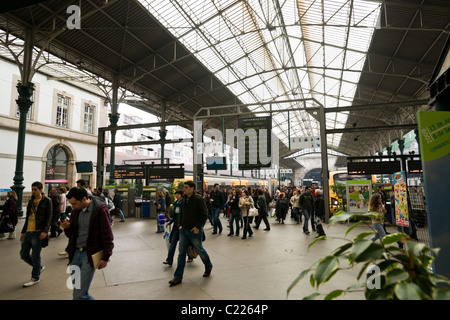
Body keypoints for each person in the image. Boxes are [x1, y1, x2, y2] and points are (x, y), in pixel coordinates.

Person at [61, 186, 114, 300]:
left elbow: (107, 235)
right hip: (74, 255)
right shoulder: (75, 211)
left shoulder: (99, 210)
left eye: (75, 204)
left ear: (84, 199)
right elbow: (72, 235)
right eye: (71, 204)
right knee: (77, 288)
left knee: (79, 294)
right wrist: (67, 227)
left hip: (88, 256)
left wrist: (105, 257)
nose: (73, 207)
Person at [169, 181, 213, 286]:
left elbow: (204, 214)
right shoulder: (184, 199)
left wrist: (198, 227)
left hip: (195, 231)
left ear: (192, 189)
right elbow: (182, 213)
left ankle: (208, 266)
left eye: (186, 187)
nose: (184, 189)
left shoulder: (199, 199)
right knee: (181, 253)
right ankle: (177, 277)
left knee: (199, 250)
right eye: (184, 187)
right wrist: (180, 224)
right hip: (183, 230)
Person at [20, 181, 53, 287]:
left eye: (35, 189)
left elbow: (49, 216)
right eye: (32, 189)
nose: (33, 191)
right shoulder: (31, 201)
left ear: (41, 189)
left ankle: (35, 277)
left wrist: (45, 231)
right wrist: (23, 232)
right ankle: (38, 267)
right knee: (23, 254)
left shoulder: (47, 201)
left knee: (35, 256)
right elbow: (28, 218)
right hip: (28, 231)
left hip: (38, 232)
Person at [164, 190, 194, 266]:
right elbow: (175, 216)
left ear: (181, 195)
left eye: (178, 194)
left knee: (185, 244)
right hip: (176, 228)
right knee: (173, 243)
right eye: (176, 194)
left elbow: (186, 216)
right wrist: (170, 221)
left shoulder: (184, 204)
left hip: (183, 228)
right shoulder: (176, 204)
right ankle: (169, 260)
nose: (176, 196)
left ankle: (190, 256)